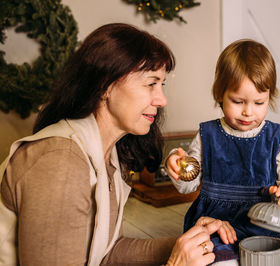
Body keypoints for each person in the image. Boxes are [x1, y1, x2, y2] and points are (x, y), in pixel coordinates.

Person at [0, 23, 236, 266]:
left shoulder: (108, 155)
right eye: (150, 83)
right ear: (106, 85)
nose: (162, 99)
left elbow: (107, 253)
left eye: (161, 84)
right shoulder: (60, 162)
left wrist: (190, 244)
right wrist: (176, 264)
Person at [166, 39, 280, 266]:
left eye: (259, 102)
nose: (248, 112)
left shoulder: (278, 139)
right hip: (219, 222)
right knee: (211, 250)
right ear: (220, 94)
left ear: (269, 97)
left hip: (268, 221)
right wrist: (179, 169)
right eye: (238, 101)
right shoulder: (207, 136)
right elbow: (188, 186)